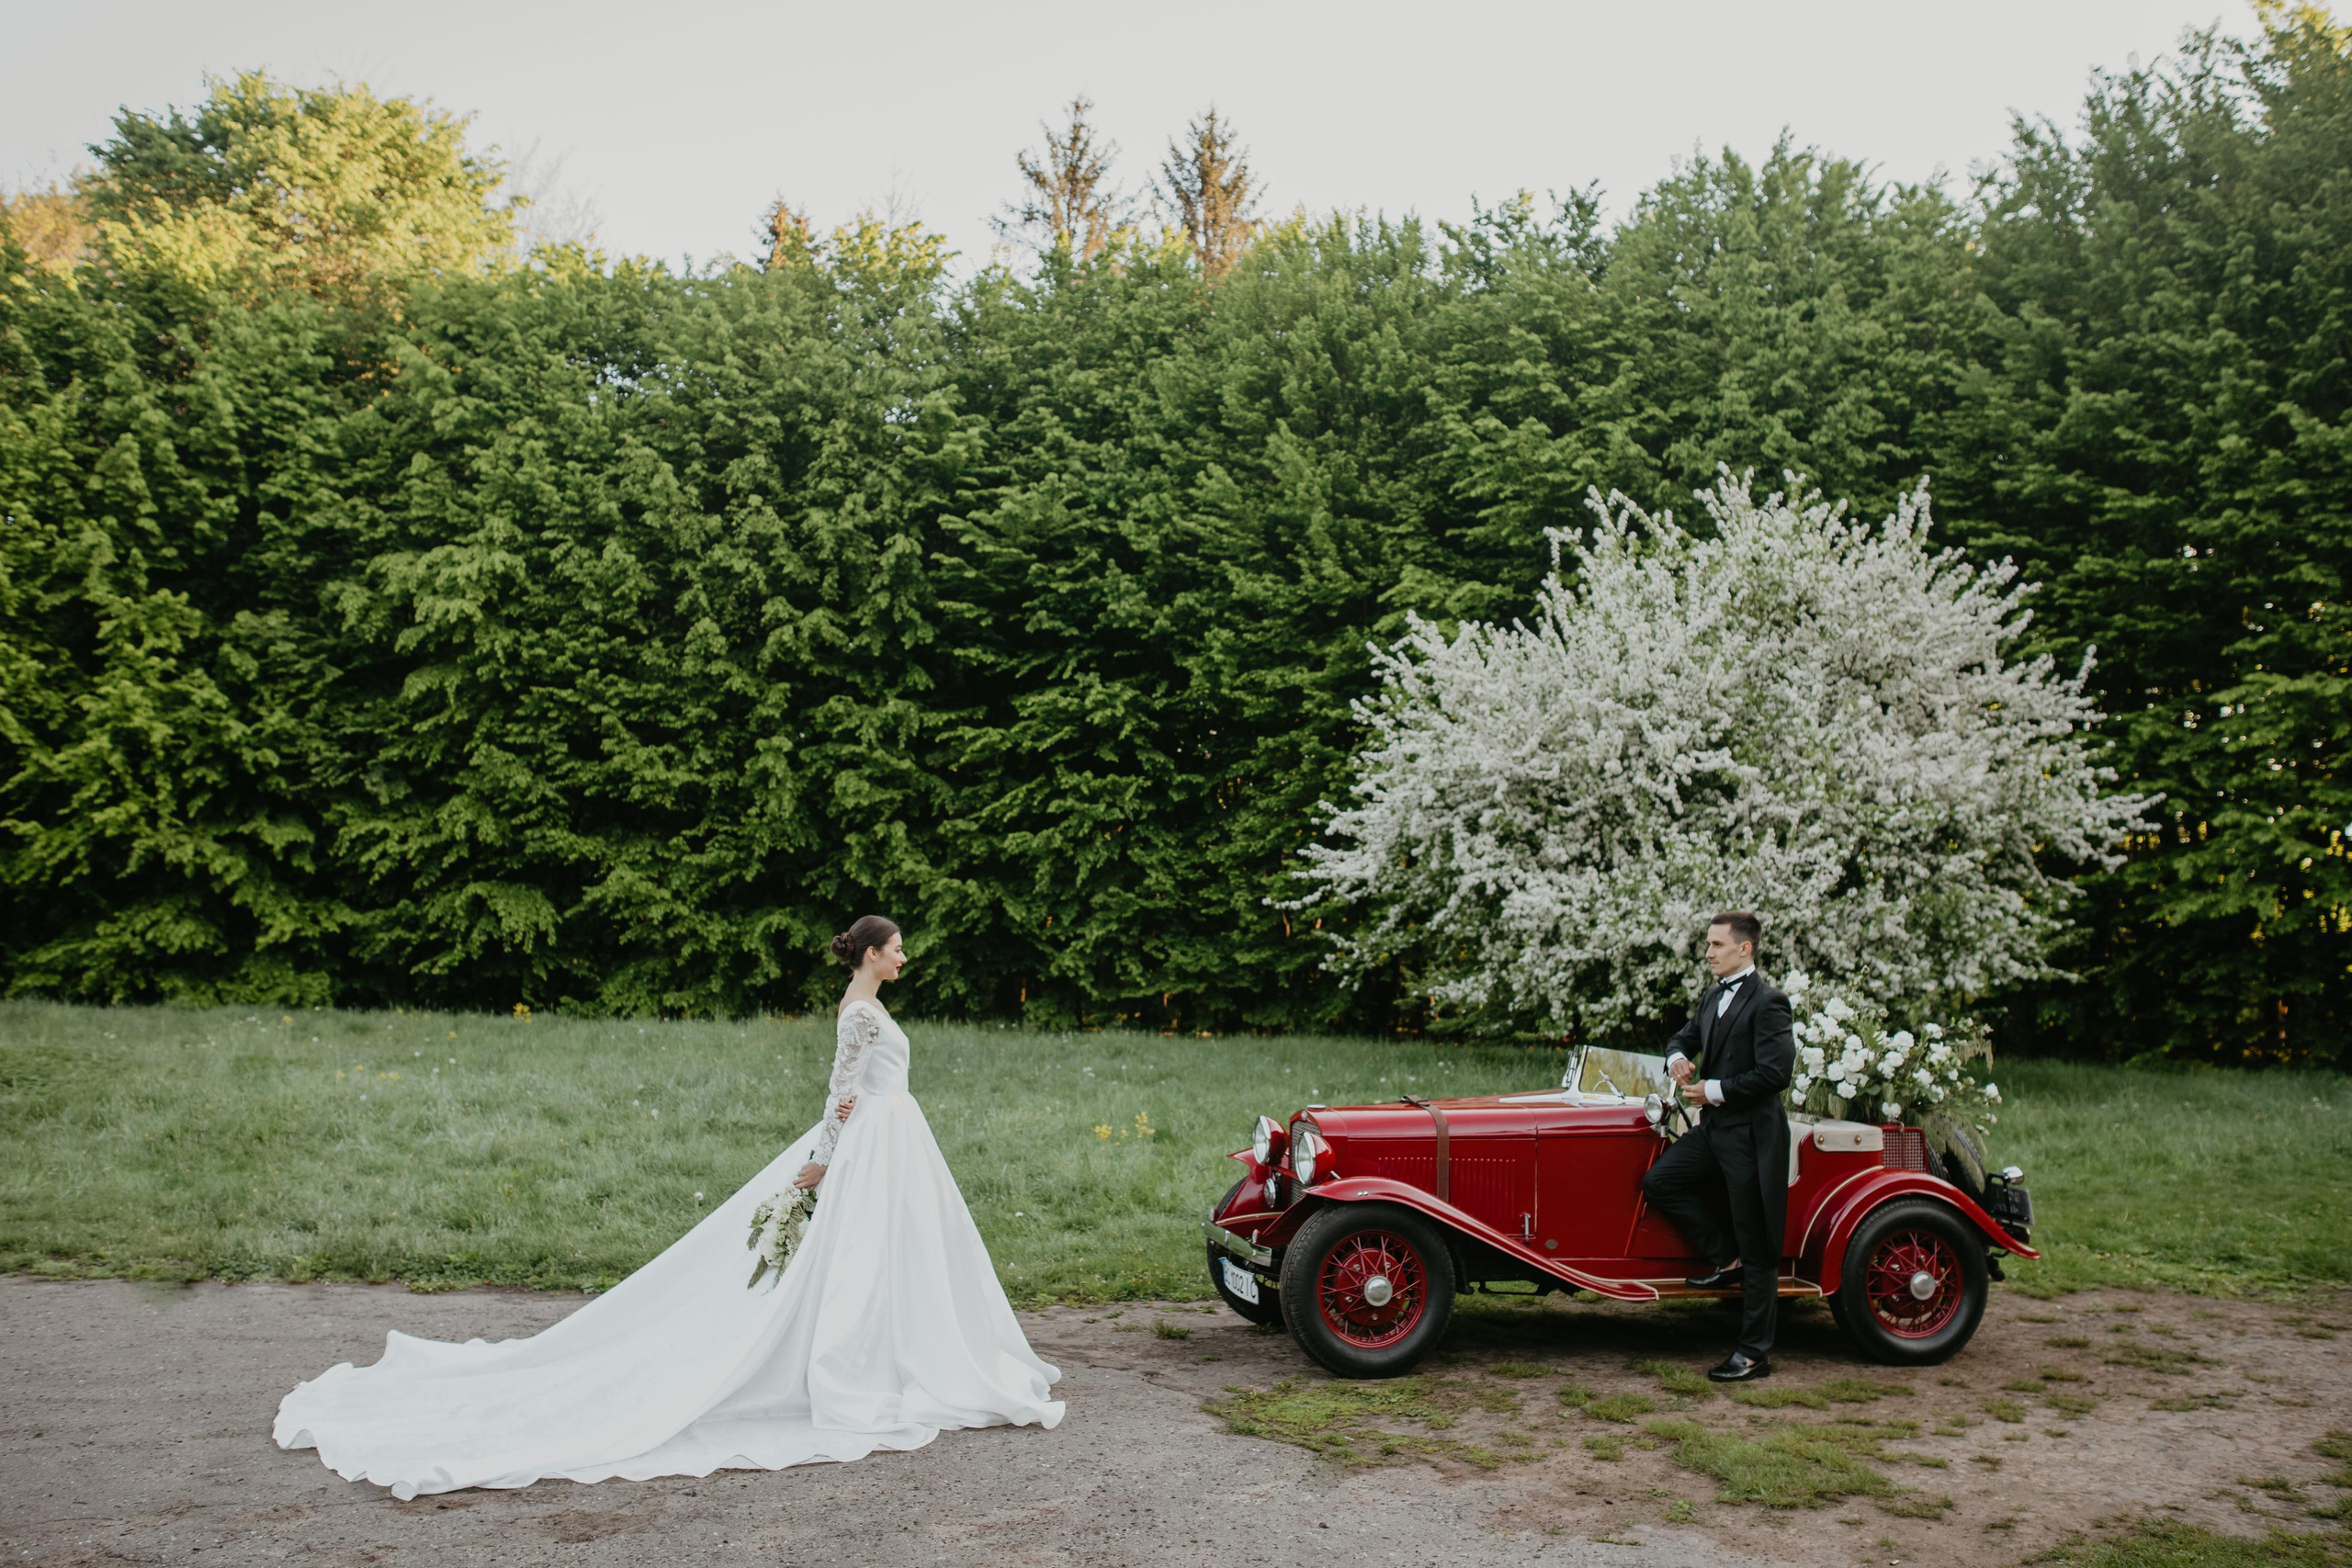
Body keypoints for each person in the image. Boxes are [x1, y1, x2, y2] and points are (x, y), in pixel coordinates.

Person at [275, 916, 1062, 1499]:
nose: (902, 953)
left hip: (897, 1140)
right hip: (870, 1142)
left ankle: (902, 1346)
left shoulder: (867, 1005)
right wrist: (819, 1163)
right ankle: (862, 1363)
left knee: (897, 1252)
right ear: (868, 954)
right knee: (859, 1255)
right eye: (893, 945)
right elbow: (842, 1091)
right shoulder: (859, 1012)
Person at [1638, 910, 1795, 1382]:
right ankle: (1724, 1257)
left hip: (1752, 1135)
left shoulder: (1770, 1002)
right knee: (1660, 1181)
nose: (1707, 953)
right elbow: (1680, 1039)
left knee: (1759, 1239)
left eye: (1716, 945)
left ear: (1744, 948)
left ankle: (1753, 1353)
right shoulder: (1713, 996)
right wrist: (1679, 1058)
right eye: (1707, 945)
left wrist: (1715, 1089)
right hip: (1715, 1130)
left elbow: (1776, 1073)